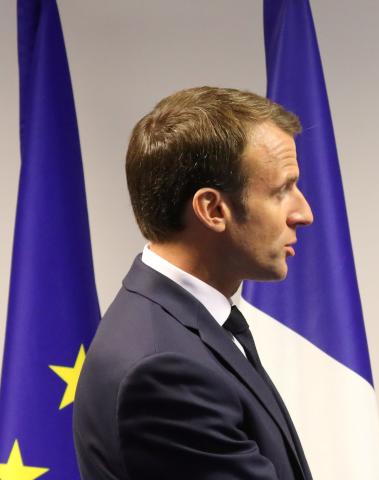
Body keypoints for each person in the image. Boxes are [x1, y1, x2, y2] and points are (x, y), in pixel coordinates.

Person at [73, 87, 314, 480]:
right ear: (212, 209)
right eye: (282, 190)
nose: (303, 213)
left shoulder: (182, 327)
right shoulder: (164, 370)